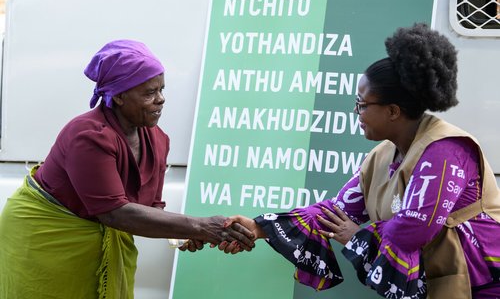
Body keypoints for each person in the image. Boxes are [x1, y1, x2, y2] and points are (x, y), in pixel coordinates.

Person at [224, 23, 500, 298]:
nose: (356, 112)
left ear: (392, 111)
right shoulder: (381, 155)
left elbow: (414, 230)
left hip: (486, 285)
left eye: (362, 104)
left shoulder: (446, 150)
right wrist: (258, 227)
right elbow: (337, 212)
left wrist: (356, 237)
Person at [0, 40, 254, 299]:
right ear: (119, 96)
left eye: (162, 89)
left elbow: (151, 207)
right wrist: (200, 226)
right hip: (45, 243)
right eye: (149, 92)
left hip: (93, 238)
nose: (161, 99)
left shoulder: (158, 139)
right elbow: (114, 213)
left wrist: (186, 232)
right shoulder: (88, 135)